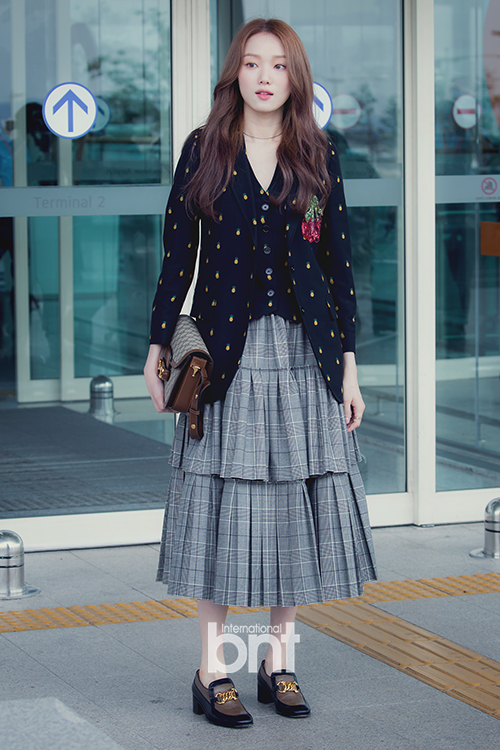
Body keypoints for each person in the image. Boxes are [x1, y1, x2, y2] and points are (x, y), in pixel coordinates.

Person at [144, 17, 377, 728]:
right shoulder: (205, 151)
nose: (265, 75)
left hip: (304, 357)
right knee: (217, 510)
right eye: (252, 63)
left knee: (295, 510)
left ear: (294, 76)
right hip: (227, 356)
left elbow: (340, 268)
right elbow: (176, 259)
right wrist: (158, 345)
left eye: (278, 64)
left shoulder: (318, 156)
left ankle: (280, 662)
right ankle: (212, 669)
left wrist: (349, 368)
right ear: (235, 74)